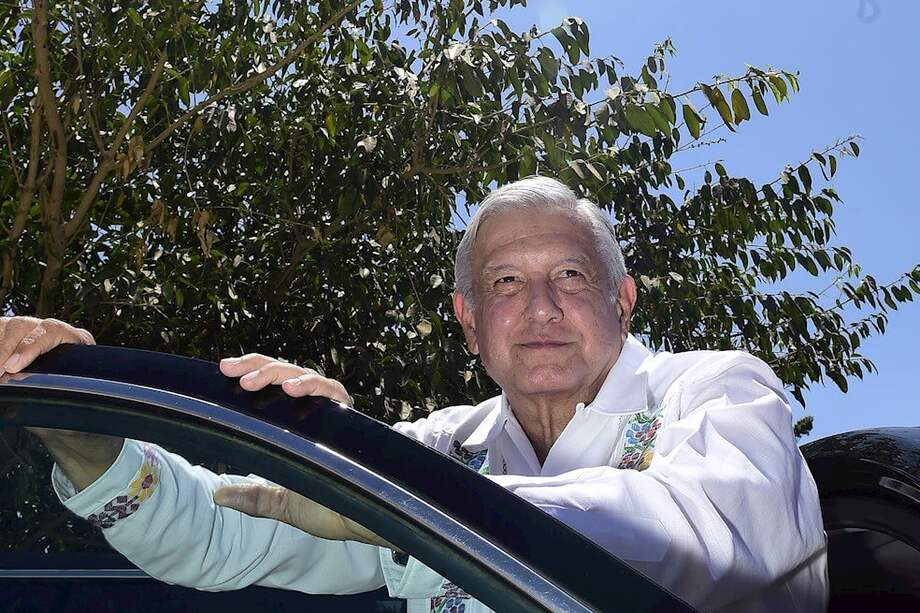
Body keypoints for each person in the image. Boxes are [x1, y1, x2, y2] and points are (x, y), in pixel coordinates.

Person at [0, 177, 827, 612]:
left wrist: (406, 504)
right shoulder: (445, 446)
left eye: (571, 276)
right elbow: (226, 530)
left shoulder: (718, 389)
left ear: (624, 298)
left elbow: (715, 536)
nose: (540, 308)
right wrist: (78, 419)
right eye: (506, 282)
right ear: (470, 321)